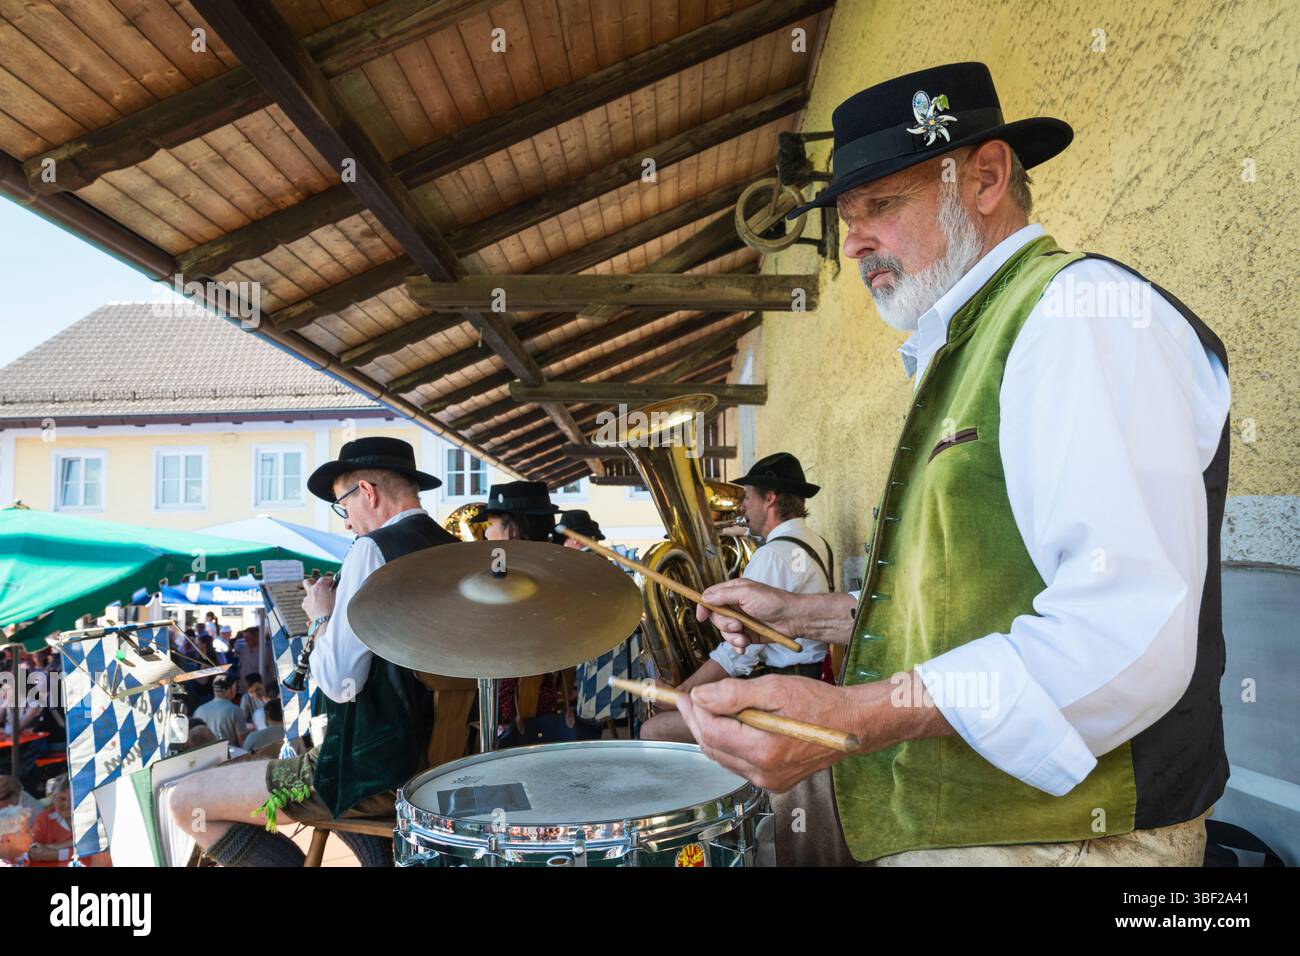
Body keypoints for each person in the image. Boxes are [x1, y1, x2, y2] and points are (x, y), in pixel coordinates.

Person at [673, 62, 1231, 867]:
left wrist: (848, 718)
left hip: (1076, 839)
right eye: (846, 217)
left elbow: (1122, 633)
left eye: (881, 205)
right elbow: (977, 593)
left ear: (987, 178)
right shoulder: (990, 335)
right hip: (975, 818)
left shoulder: (1078, 315)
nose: (855, 240)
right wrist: (805, 615)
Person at [169, 437, 455, 867]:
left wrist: (322, 617)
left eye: (343, 506)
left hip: (372, 773)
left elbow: (340, 684)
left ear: (368, 491)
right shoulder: (454, 549)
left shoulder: (372, 549)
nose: (346, 523)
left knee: (185, 800)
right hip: (443, 764)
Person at [640, 453, 833, 743]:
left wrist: (677, 696)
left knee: (654, 729)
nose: (742, 506)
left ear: (769, 498)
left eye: (747, 497)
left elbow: (739, 651)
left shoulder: (773, 556)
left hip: (784, 696)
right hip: (810, 681)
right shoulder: (816, 543)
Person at [475, 481, 575, 746]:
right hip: (545, 708)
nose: (486, 535)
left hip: (507, 714)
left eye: (491, 526)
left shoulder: (503, 586)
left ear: (513, 530)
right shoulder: (561, 578)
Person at [554, 511, 640, 737]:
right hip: (617, 651)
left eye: (563, 541)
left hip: (599, 651)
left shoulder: (582, 564)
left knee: (591, 717)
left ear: (573, 540)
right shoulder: (605, 562)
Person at [192, 676, 246, 748]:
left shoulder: (199, 710)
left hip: (204, 755)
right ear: (231, 689)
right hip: (228, 755)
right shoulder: (235, 710)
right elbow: (243, 742)